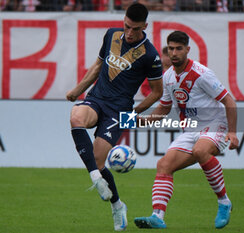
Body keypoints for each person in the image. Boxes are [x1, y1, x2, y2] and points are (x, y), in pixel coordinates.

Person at [66, 3, 163, 231]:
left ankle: (118, 205)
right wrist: (77, 89)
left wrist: (134, 114)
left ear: (145, 27)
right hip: (97, 99)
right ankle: (95, 179)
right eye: (127, 26)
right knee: (76, 117)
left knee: (99, 162)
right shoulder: (111, 34)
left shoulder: (150, 55)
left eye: (135, 29)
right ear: (124, 20)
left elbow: (157, 92)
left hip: (119, 111)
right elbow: (99, 64)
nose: (129, 33)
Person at [134, 31, 239, 230]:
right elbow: (164, 107)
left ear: (187, 50)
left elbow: (228, 100)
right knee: (164, 164)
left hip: (215, 125)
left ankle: (224, 202)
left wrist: (232, 132)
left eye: (179, 49)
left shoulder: (201, 73)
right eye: (171, 49)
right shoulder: (168, 77)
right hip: (191, 129)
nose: (174, 53)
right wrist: (143, 121)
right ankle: (157, 216)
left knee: (201, 151)